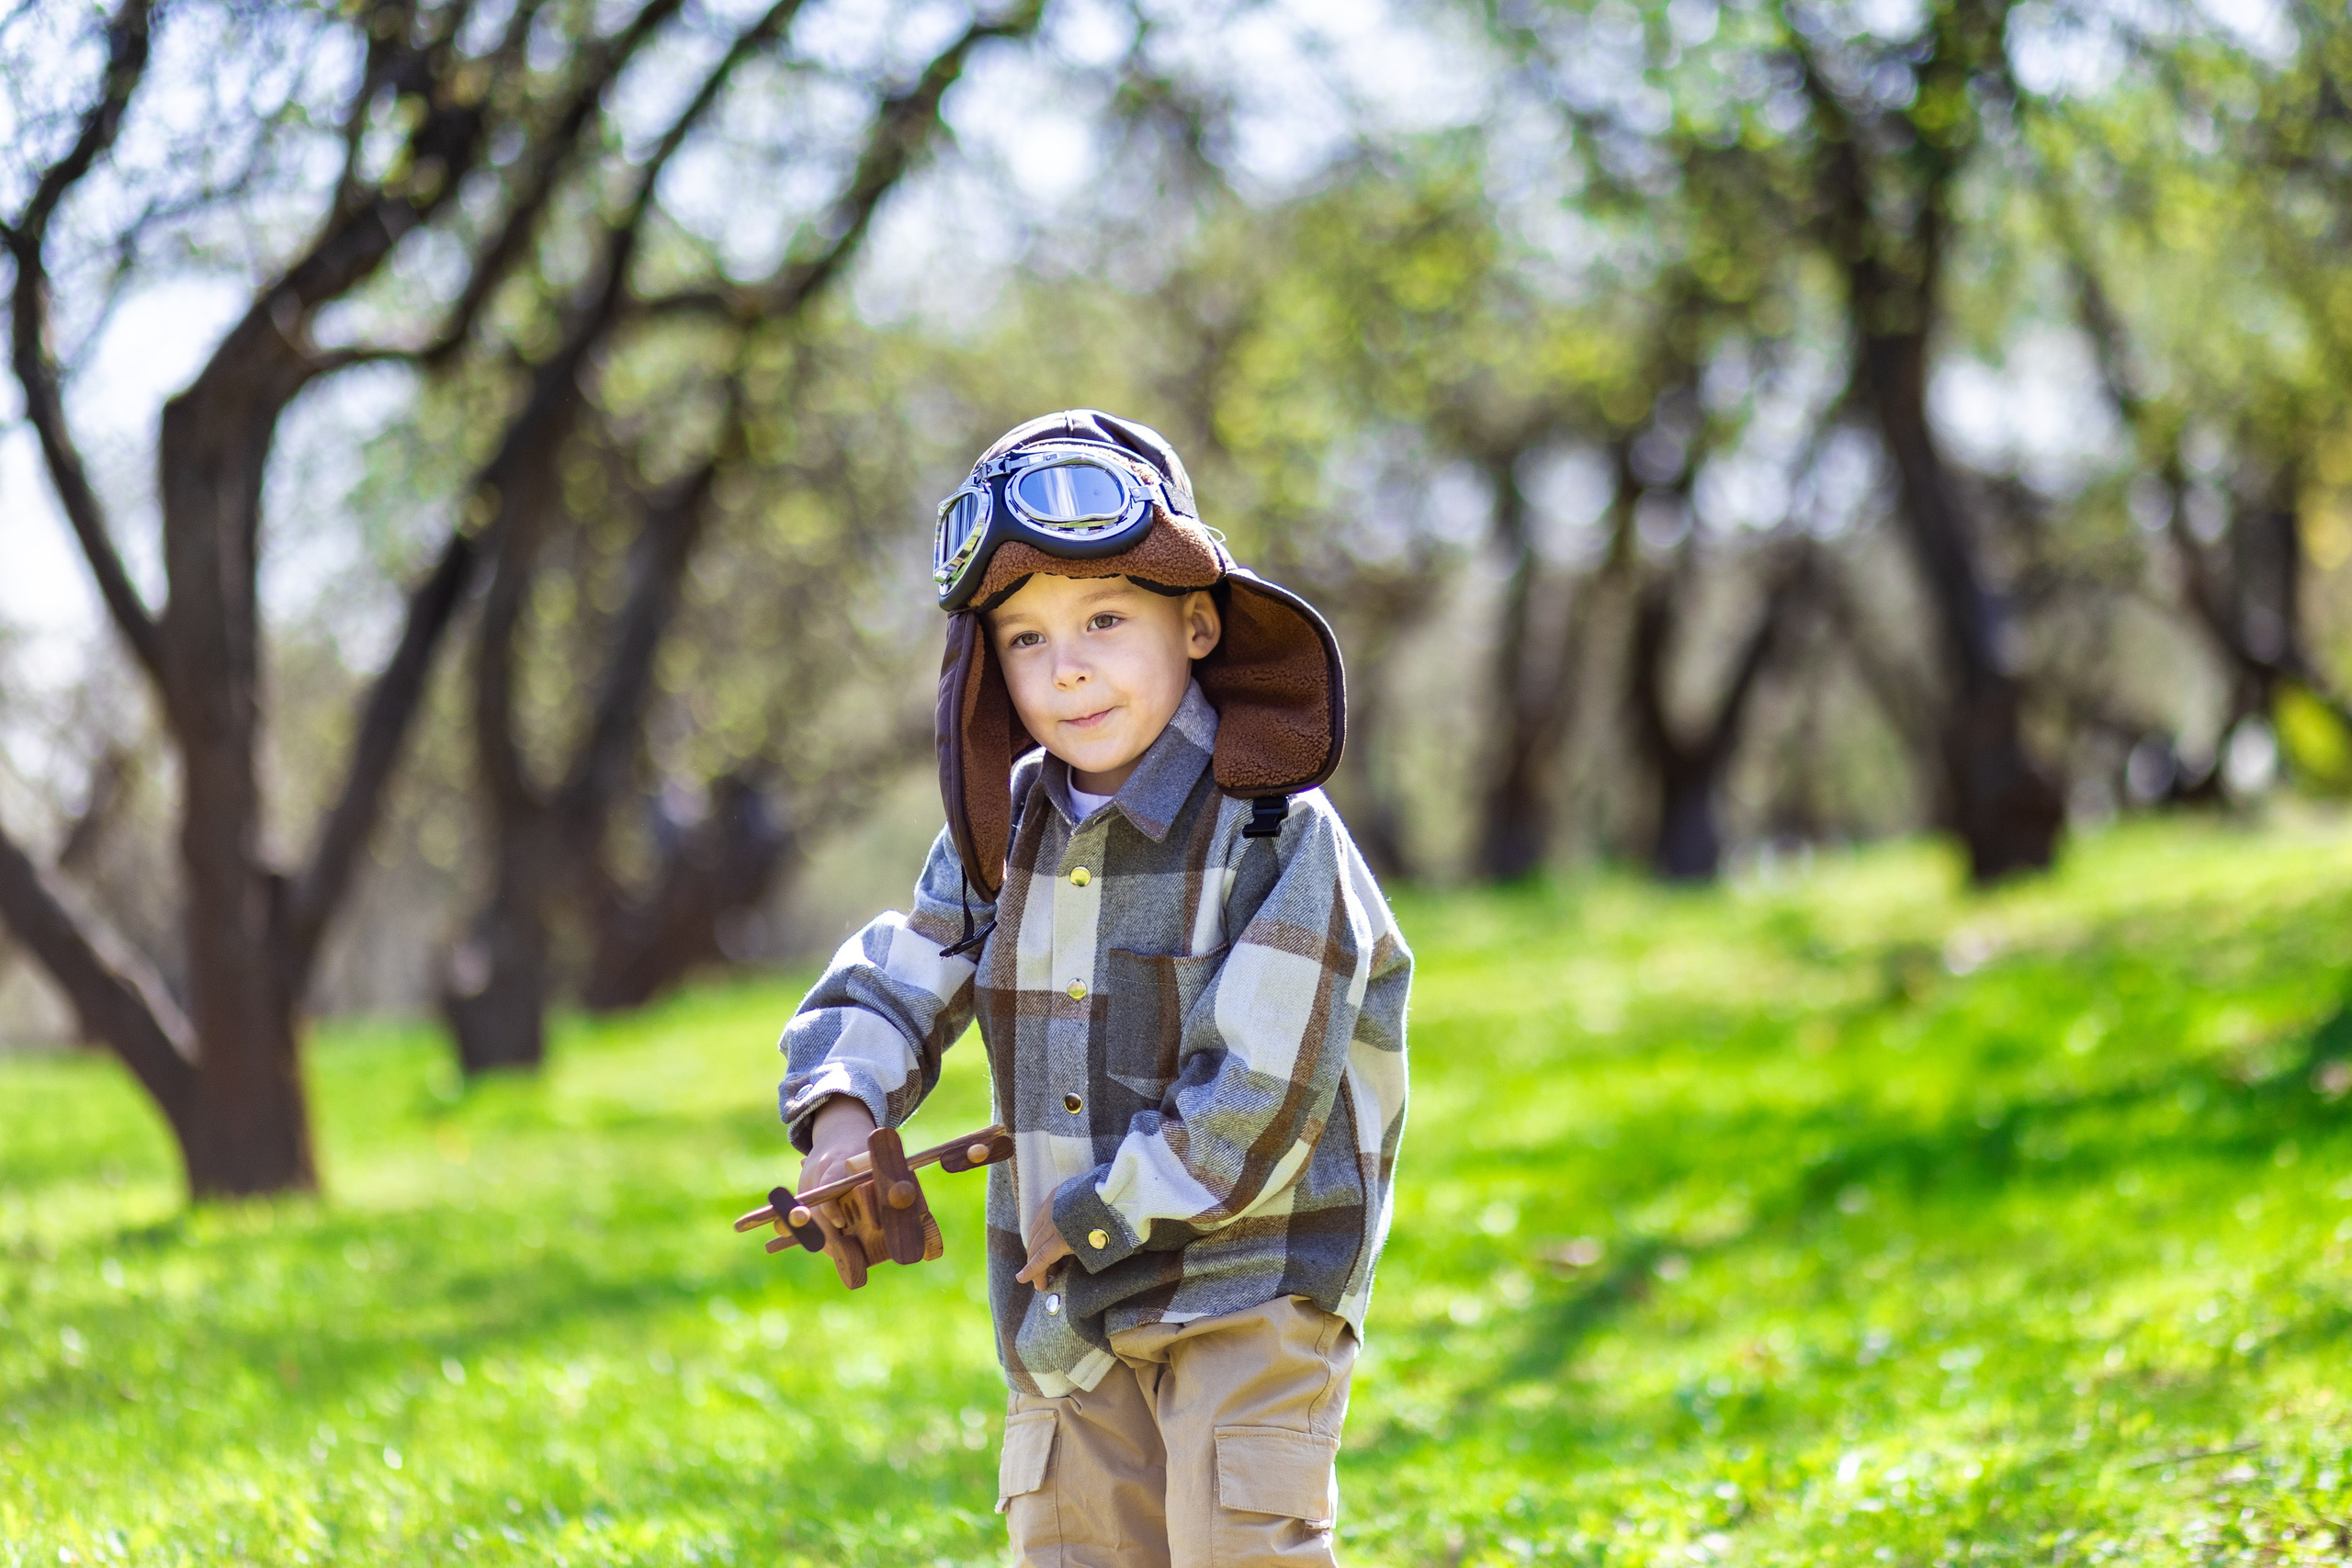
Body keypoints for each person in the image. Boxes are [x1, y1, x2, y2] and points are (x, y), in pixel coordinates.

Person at [777, 410, 1411, 1567]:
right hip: (1064, 1315)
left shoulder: (1277, 830)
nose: (1065, 667)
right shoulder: (999, 831)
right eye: (1023, 638)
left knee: (1239, 1547)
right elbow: (894, 980)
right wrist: (842, 1115)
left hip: (1247, 1282)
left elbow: (1264, 1086)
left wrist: (1103, 1210)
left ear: (1198, 620)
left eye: (1105, 620)